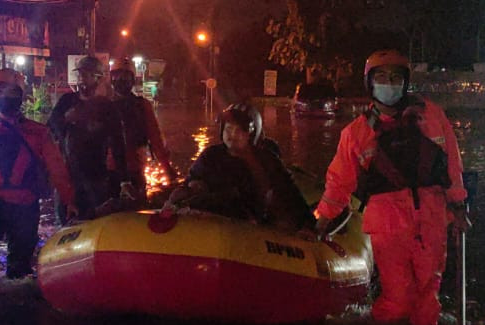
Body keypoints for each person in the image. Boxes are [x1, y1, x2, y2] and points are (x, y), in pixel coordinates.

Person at [313, 49, 469, 325]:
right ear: (370, 84)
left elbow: (452, 166)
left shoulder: (432, 116)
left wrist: (458, 206)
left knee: (426, 304)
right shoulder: (356, 133)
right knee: (397, 300)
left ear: (405, 83)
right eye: (382, 78)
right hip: (387, 222)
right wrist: (322, 221)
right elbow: (339, 182)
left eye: (395, 78)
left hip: (431, 217)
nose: (389, 84)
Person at [0, 68, 77, 279]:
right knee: (7, 271)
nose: (4, 97)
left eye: (9, 92)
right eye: (0, 91)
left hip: (16, 207)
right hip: (2, 208)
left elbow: (58, 172)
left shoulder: (35, 133)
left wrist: (69, 200)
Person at [167, 103, 311, 230]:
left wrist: (308, 225)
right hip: (210, 220)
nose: (232, 135)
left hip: (248, 224)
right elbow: (191, 182)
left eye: (239, 131)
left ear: (251, 135)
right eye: (229, 129)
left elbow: (289, 193)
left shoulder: (266, 160)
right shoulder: (211, 155)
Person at [48, 56, 134, 220]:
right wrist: (66, 119)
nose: (82, 80)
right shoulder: (67, 101)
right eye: (80, 75)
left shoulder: (107, 108)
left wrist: (124, 180)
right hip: (69, 176)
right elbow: (50, 129)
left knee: (94, 221)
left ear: (98, 78)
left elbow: (118, 145)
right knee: (65, 222)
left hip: (96, 177)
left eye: (87, 75)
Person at [109, 58, 176, 195]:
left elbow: (155, 137)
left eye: (126, 77)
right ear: (112, 79)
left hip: (135, 167)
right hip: (109, 169)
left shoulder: (142, 106)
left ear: (132, 80)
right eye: (118, 76)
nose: (122, 80)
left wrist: (166, 165)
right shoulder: (104, 105)